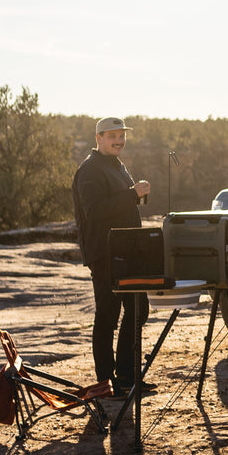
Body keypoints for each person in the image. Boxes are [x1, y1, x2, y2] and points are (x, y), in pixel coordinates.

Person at [71, 117, 154, 398]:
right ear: (99, 138)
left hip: (128, 252)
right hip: (104, 253)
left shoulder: (117, 164)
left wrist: (137, 196)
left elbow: (121, 202)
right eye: (112, 136)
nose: (119, 140)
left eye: (122, 135)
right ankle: (106, 383)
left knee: (138, 310)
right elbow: (95, 211)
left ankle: (128, 377)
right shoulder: (89, 170)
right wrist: (132, 194)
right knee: (108, 315)